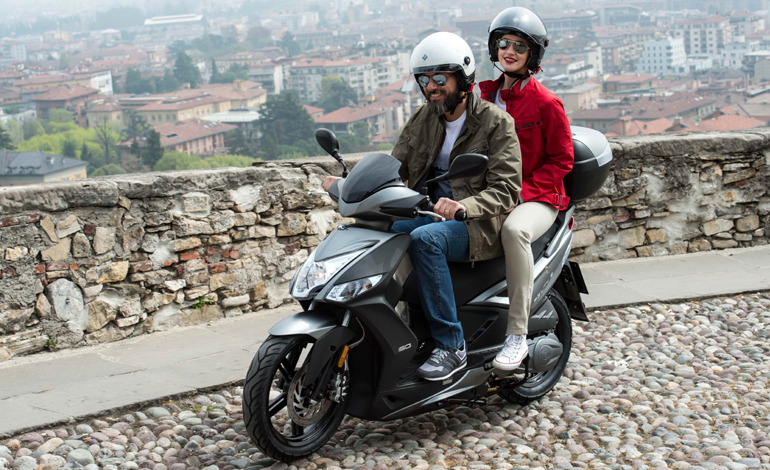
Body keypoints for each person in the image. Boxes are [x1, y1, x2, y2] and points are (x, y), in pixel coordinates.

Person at [324, 32, 522, 381]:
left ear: (462, 79)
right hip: (428, 212)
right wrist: (350, 186)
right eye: (424, 79)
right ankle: (383, 326)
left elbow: (507, 190)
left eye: (440, 79)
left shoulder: (496, 123)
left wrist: (464, 206)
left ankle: (451, 345)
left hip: (476, 224)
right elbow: (394, 167)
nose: (431, 87)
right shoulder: (423, 118)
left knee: (424, 241)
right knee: (378, 233)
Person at [478, 7, 575, 371]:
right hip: (491, 193)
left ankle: (516, 335)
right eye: (504, 43)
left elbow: (562, 160)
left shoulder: (546, 103)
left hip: (539, 196)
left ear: (532, 54)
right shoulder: (481, 96)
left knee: (514, 230)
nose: (510, 51)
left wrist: (520, 194)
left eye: (520, 46)